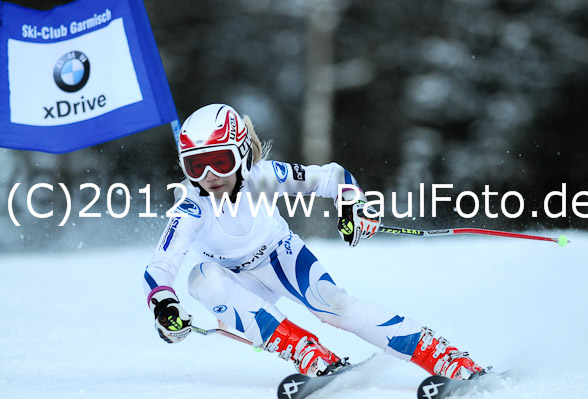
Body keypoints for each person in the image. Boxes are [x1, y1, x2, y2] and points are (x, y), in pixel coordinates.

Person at [143, 103, 486, 379]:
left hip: (282, 257)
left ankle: (441, 356)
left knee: (336, 307)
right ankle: (306, 351)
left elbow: (331, 176)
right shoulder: (191, 206)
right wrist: (164, 305)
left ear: (243, 153)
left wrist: (353, 203)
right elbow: (161, 265)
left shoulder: (265, 177)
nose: (209, 176)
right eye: (195, 166)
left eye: (220, 161)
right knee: (200, 278)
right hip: (238, 283)